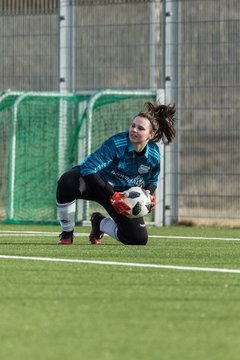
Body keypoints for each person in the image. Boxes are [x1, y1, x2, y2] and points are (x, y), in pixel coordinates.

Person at [56, 101, 176, 246]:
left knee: (138, 240)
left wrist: (149, 195)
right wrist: (111, 195)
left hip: (122, 195)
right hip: (94, 183)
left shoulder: (154, 155)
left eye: (140, 128)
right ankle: (67, 233)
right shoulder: (116, 144)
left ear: (151, 135)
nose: (134, 130)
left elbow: (153, 179)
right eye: (133, 126)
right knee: (67, 181)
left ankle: (99, 223)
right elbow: (88, 168)